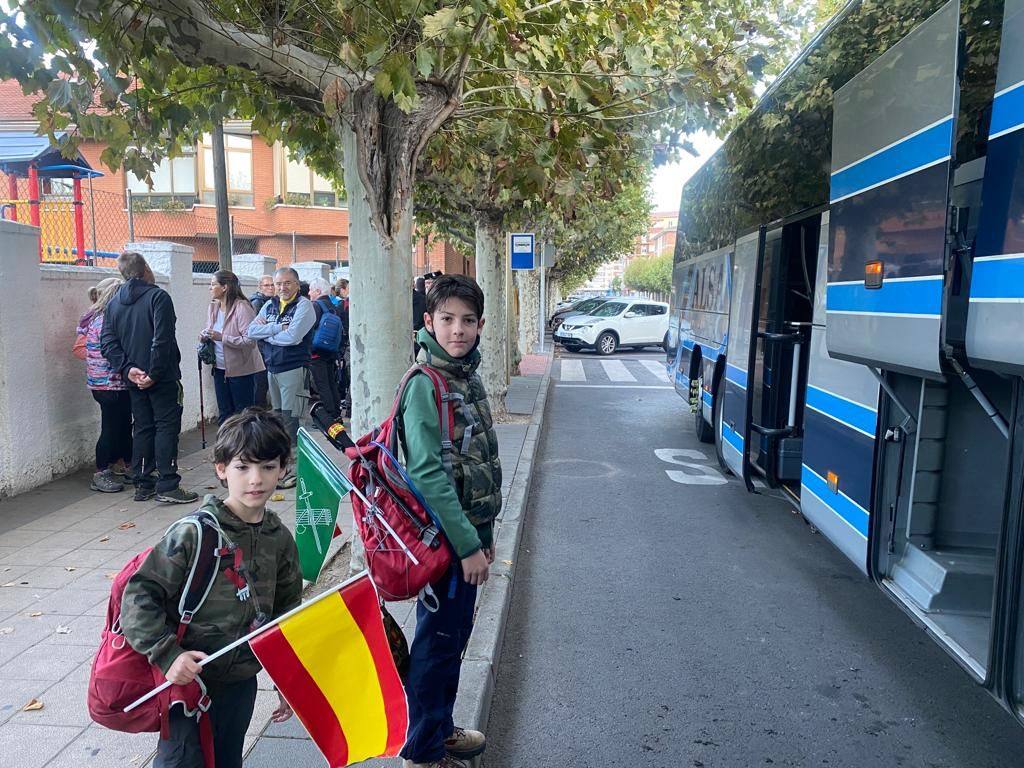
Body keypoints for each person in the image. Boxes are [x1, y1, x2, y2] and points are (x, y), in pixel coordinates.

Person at [120, 408, 303, 768]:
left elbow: (286, 613)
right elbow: (139, 597)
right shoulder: (195, 533)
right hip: (188, 681)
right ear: (221, 469)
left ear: (283, 469)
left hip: (239, 682)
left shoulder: (279, 539)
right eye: (243, 467)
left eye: (268, 467)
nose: (256, 479)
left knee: (225, 760)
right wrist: (168, 655)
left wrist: (288, 678)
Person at [398, 275, 502, 768]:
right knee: (437, 645)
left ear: (481, 325)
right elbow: (428, 474)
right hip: (444, 543)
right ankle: (423, 747)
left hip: (468, 537)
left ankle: (441, 727)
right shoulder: (426, 383)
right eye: (446, 320)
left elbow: (475, 464)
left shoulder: (465, 373)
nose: (457, 330)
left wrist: (484, 537)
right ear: (428, 322)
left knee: (452, 639)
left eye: (466, 321)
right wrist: (466, 545)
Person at [101, 252, 198, 505]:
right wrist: (152, 373)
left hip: (135, 378)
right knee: (166, 427)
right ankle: (167, 482)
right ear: (145, 269)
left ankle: (143, 483)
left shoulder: (113, 304)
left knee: (143, 427)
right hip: (162, 378)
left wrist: (127, 369)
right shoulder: (158, 297)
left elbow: (108, 342)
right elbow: (161, 339)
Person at [246, 267, 316, 487]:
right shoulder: (270, 305)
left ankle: (296, 470)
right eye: (278, 284)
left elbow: (294, 338)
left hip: (294, 369)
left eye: (287, 283)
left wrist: (268, 334)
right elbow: (251, 331)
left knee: (293, 419)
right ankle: (283, 466)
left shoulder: (305, 306)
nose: (282, 288)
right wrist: (278, 328)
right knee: (278, 419)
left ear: (296, 284)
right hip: (273, 369)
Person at [77, 277, 132, 493]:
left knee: (123, 425)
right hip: (109, 383)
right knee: (111, 427)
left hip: (106, 383)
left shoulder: (94, 317)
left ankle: (127, 465)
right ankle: (101, 472)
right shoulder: (106, 320)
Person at [201, 270, 265, 424]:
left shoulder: (242, 307)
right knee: (224, 413)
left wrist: (222, 337)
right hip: (219, 369)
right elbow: (211, 332)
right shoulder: (213, 308)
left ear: (225, 287)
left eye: (213, 284)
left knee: (243, 414)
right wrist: (205, 336)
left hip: (241, 370)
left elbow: (249, 341)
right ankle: (226, 446)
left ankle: (245, 446)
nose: (210, 288)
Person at [306, 277, 343, 420]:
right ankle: (336, 412)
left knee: (322, 385)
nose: (309, 293)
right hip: (330, 351)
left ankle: (329, 415)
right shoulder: (333, 305)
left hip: (316, 352)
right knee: (331, 383)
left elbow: (309, 327)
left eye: (311, 290)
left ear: (318, 291)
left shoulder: (316, 306)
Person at [335, 278, 351, 418]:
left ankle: (349, 406)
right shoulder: (343, 305)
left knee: (349, 376)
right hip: (349, 346)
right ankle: (350, 406)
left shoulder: (343, 305)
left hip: (346, 346)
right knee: (350, 376)